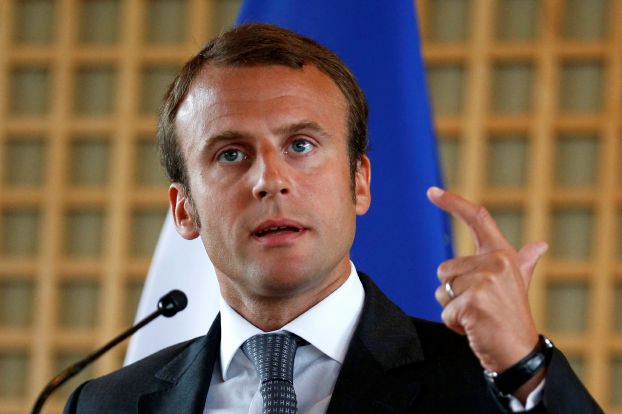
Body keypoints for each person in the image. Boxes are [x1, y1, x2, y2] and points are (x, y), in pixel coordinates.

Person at [64, 23, 602, 413]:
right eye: (230, 154)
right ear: (185, 209)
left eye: (300, 145)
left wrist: (525, 367)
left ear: (359, 183)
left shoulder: (488, 382)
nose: (269, 180)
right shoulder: (106, 404)